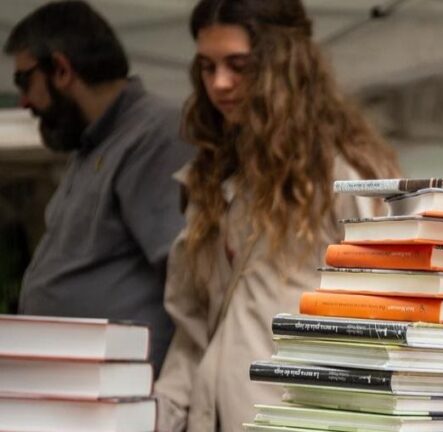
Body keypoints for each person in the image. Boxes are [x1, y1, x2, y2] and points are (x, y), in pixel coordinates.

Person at [152, 0, 400, 430]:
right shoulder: (212, 177)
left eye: (238, 65)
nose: (220, 84)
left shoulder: (347, 175)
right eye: (207, 67)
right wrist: (159, 416)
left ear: (283, 64)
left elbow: (392, 316)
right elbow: (193, 334)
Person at [3, 1, 193, 373]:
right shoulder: (91, 145)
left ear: (61, 69)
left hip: (122, 400)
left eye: (24, 80)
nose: (24, 100)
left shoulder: (154, 136)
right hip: (77, 394)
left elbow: (188, 285)